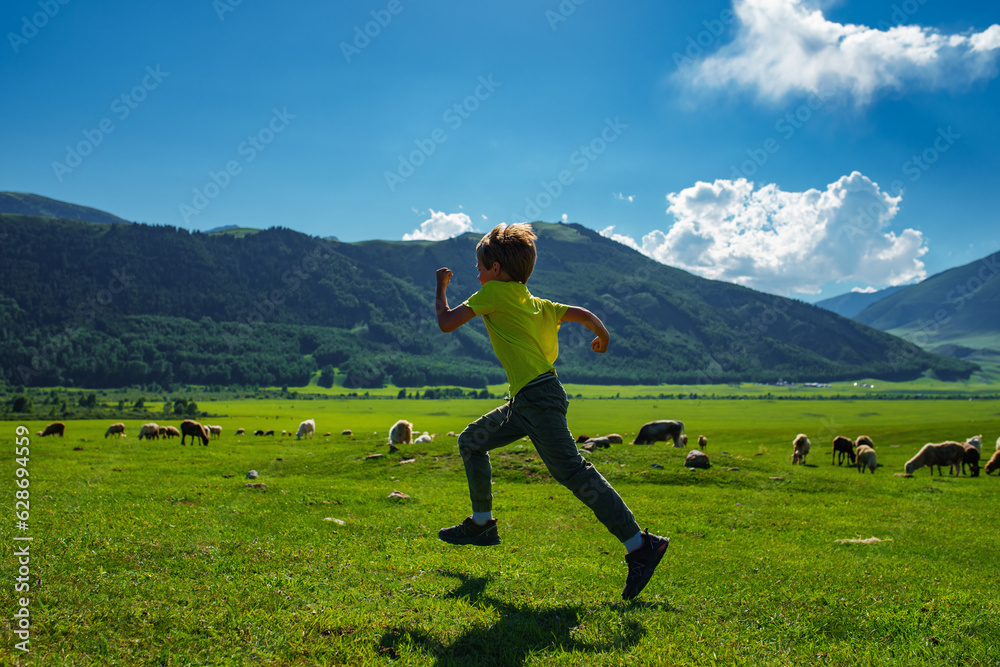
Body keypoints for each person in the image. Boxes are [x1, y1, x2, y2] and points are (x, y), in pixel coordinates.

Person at [434, 222, 668, 600]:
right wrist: (603, 336)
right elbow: (580, 312)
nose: (477, 274)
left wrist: (441, 289)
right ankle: (482, 524)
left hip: (537, 400)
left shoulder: (492, 292)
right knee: (472, 441)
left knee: (573, 472)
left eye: (479, 267)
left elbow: (447, 324)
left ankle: (641, 545)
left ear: (495, 269)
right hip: (529, 400)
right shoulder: (536, 303)